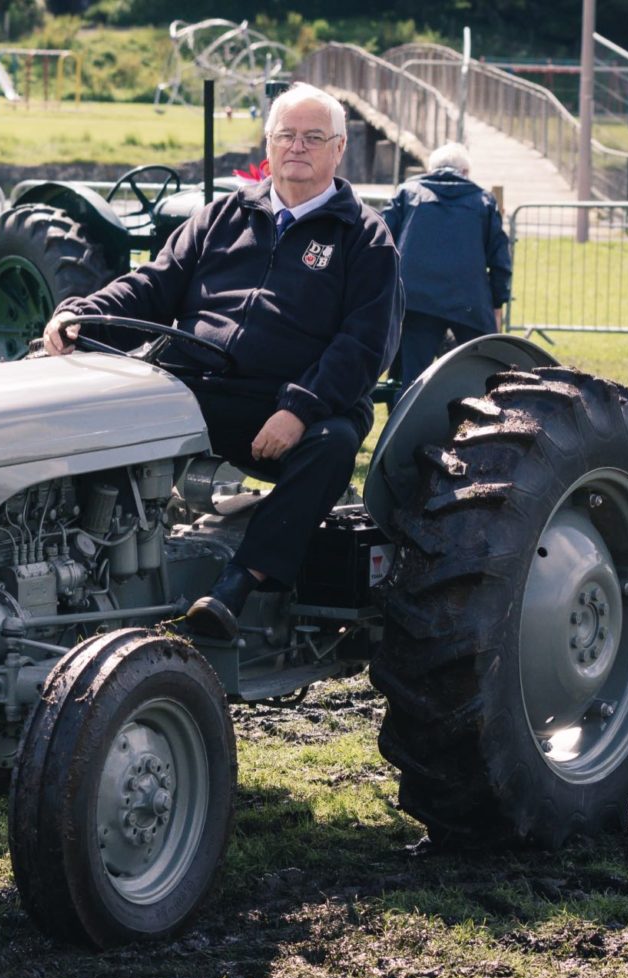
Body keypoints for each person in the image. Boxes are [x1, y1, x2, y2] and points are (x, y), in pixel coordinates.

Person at [42, 82, 401, 640]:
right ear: (268, 144)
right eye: (286, 135)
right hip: (197, 387)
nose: (297, 147)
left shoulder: (365, 238)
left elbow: (364, 345)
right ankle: (82, 567)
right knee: (99, 406)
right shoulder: (221, 218)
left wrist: (299, 410)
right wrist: (82, 314)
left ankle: (237, 585)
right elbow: (152, 285)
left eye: (313, 137)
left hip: (291, 405)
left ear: (338, 149)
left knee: (333, 442)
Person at [382, 142, 511, 386]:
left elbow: (381, 239)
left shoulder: (408, 193)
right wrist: (497, 302)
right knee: (481, 376)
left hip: (416, 299)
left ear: (431, 170)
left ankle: (408, 421)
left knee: (412, 379)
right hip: (469, 301)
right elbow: (500, 259)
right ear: (465, 173)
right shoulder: (483, 201)